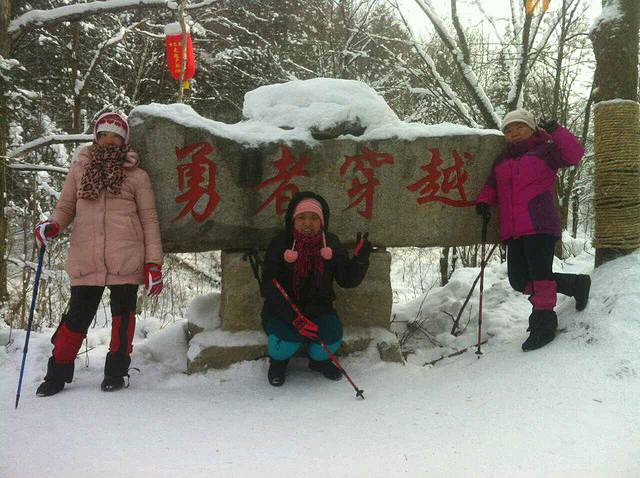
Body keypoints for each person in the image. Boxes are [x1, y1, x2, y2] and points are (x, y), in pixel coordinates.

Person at [34, 112, 164, 396]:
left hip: (126, 256)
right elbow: (66, 207)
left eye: (115, 136)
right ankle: (57, 374)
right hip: (87, 256)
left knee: (123, 318)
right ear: (96, 137)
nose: (109, 140)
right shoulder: (80, 169)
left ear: (124, 140)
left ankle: (116, 373)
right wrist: (53, 225)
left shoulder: (137, 176)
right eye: (103, 135)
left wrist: (153, 263)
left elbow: (150, 220)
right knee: (76, 318)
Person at [475, 108, 590, 351]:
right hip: (512, 229)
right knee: (519, 280)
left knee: (540, 275)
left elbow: (574, 154)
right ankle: (575, 285)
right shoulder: (502, 160)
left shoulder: (546, 151)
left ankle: (544, 323)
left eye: (520, 127)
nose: (514, 132)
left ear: (531, 128)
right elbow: (492, 184)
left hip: (539, 223)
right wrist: (484, 201)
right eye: (508, 129)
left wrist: (556, 131)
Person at [260, 191, 371, 386]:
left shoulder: (331, 243)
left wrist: (360, 261)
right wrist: (293, 318)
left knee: (332, 335)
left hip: (320, 309)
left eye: (313, 218)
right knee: (286, 340)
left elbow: (346, 280)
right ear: (293, 220)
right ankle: (278, 361)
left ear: (322, 221)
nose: (307, 223)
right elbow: (269, 286)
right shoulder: (280, 243)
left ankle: (319, 361)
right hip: (284, 311)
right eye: (301, 218)